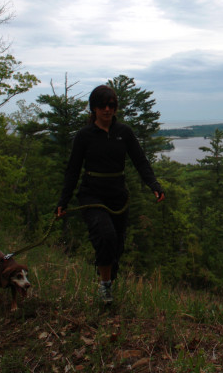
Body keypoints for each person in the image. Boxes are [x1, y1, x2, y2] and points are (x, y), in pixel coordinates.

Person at [56, 84, 165, 304]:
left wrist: (154, 184)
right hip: (92, 194)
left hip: (118, 195)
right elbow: (73, 170)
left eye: (111, 105)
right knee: (105, 235)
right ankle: (105, 287)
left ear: (115, 108)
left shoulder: (123, 133)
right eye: (102, 105)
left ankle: (109, 281)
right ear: (93, 108)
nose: (107, 109)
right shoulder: (84, 135)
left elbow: (140, 161)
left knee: (117, 244)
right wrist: (63, 201)